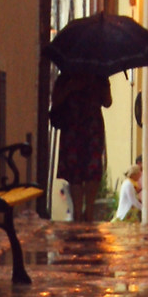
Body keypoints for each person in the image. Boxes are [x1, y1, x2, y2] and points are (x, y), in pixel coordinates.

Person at [48, 66, 112, 223]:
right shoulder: (66, 77)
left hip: (90, 128)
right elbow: (55, 102)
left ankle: (88, 211)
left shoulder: (99, 76)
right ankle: (78, 212)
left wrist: (100, 87)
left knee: (92, 170)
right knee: (75, 171)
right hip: (73, 127)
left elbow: (108, 102)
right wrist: (71, 87)